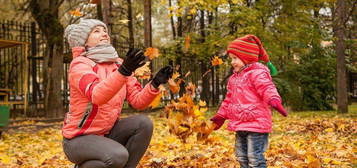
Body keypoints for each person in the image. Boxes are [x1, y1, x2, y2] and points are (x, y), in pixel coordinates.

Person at [62, 19, 173, 168]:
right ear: (84, 41)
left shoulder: (118, 64)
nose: (104, 34)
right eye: (96, 31)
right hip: (78, 139)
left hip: (106, 134)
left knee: (144, 124)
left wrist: (155, 84)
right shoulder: (80, 64)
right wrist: (124, 72)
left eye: (105, 31)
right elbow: (97, 95)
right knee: (117, 156)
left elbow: (137, 101)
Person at [210, 34, 288, 168]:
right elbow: (229, 100)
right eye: (231, 58)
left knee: (255, 158)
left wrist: (273, 99)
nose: (232, 62)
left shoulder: (257, 73)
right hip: (240, 124)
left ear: (247, 57)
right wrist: (221, 115)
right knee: (241, 157)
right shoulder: (234, 79)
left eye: (235, 58)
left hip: (256, 124)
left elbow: (266, 87)